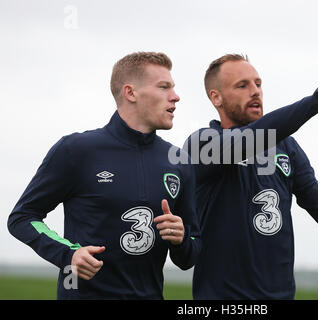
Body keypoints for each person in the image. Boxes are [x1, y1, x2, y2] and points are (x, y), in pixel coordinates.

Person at [7, 52, 201, 299]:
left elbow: (189, 257)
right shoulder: (76, 150)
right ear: (130, 93)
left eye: (173, 88)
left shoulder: (179, 161)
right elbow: (22, 217)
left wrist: (181, 238)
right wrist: (68, 254)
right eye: (164, 87)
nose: (176, 96)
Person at [186, 54, 318, 299]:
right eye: (242, 85)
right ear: (216, 97)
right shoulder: (203, 144)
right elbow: (253, 137)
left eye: (258, 84)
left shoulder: (286, 146)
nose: (255, 92)